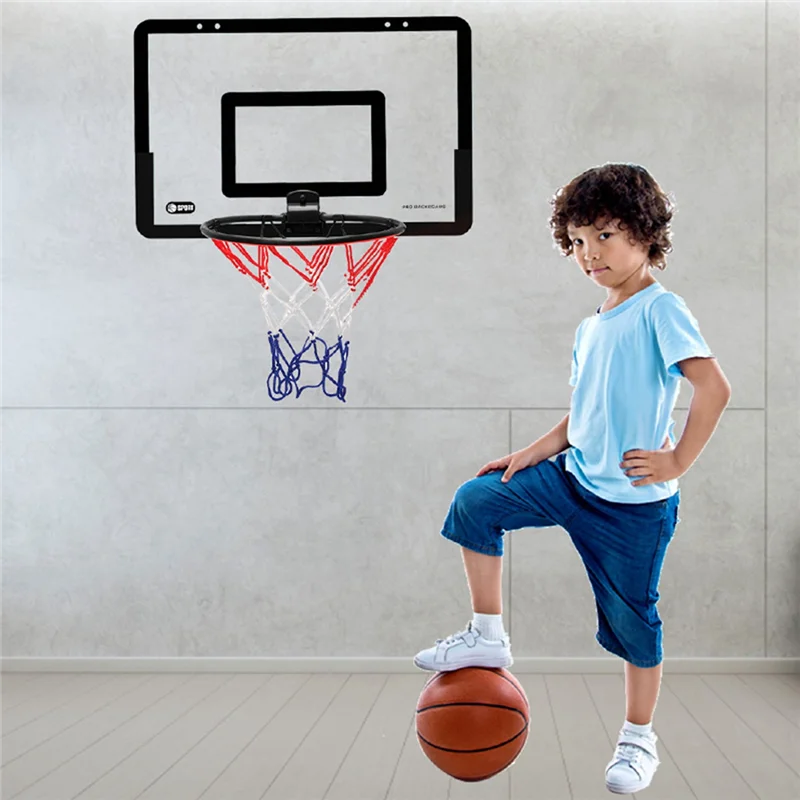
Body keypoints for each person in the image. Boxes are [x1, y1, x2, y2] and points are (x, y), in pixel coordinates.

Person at [413, 163, 732, 794]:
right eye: (579, 242)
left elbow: (714, 388)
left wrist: (677, 462)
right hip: (573, 478)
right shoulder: (593, 324)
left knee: (635, 623)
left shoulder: (660, 309)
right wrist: (530, 453)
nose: (590, 254)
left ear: (645, 234)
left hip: (633, 506)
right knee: (477, 500)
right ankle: (487, 637)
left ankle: (638, 742)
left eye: (605, 236)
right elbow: (582, 411)